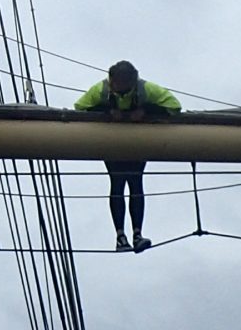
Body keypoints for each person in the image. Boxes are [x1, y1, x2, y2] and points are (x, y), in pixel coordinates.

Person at [73, 60, 178, 252]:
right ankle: (121, 235)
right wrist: (106, 112)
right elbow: (79, 108)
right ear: (111, 80)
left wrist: (145, 111)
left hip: (135, 142)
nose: (119, 90)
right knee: (119, 183)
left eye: (124, 86)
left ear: (133, 81)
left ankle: (136, 234)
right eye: (116, 85)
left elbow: (174, 106)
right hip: (114, 142)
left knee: (134, 183)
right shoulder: (101, 90)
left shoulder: (146, 89)